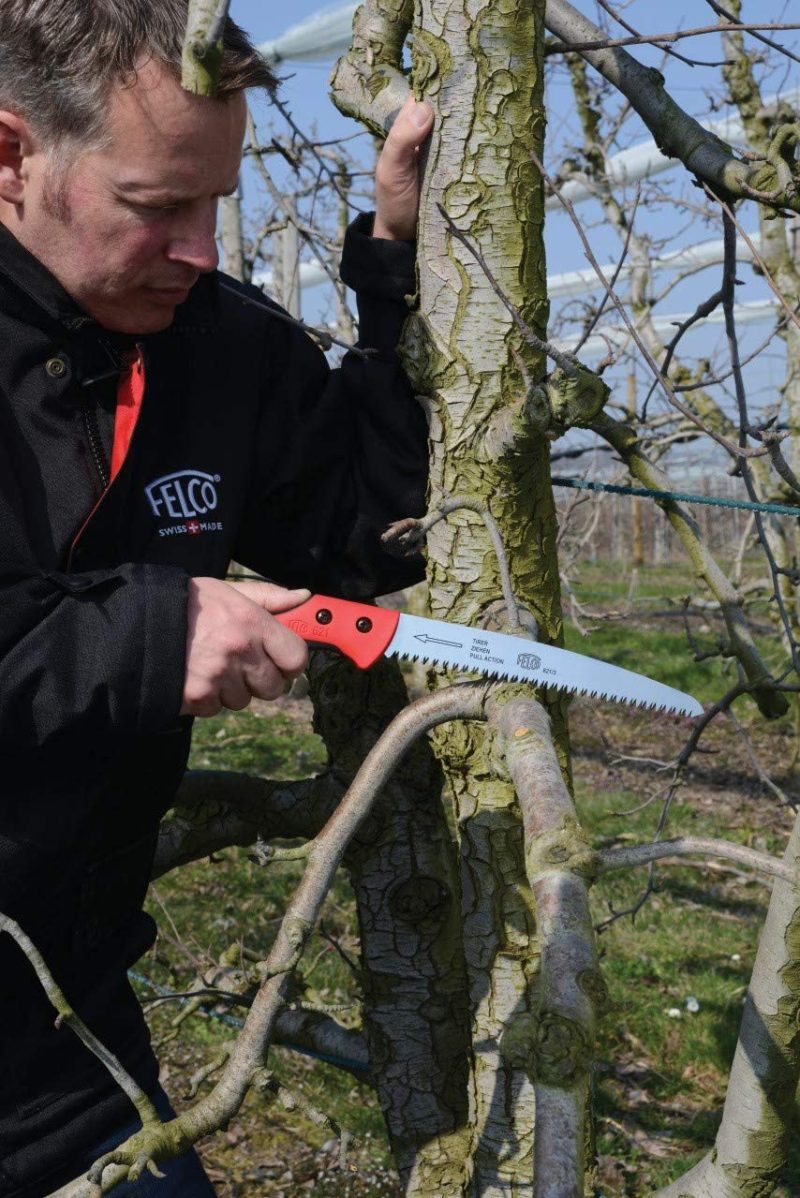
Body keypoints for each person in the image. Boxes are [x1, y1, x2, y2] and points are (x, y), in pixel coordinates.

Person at [0, 2, 433, 1194]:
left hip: (66, 1034)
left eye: (215, 203)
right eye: (157, 205)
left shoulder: (217, 344)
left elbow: (361, 537)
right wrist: (143, 637)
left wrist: (398, 266)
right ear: (11, 156)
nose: (200, 248)